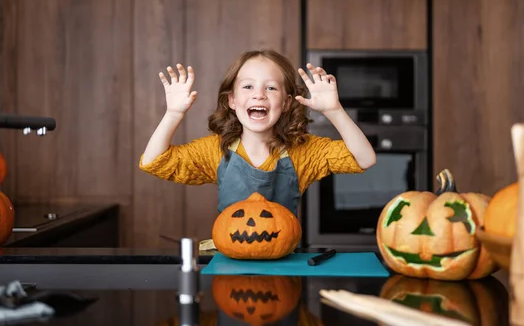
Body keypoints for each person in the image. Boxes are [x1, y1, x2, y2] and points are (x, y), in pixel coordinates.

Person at [139, 49, 376, 218]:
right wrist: (173, 114)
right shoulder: (215, 150)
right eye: (248, 86)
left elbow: (365, 158)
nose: (259, 95)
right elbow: (154, 163)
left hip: (285, 265)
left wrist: (334, 111)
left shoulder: (304, 152)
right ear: (232, 100)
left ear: (286, 103)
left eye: (271, 88)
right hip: (230, 261)